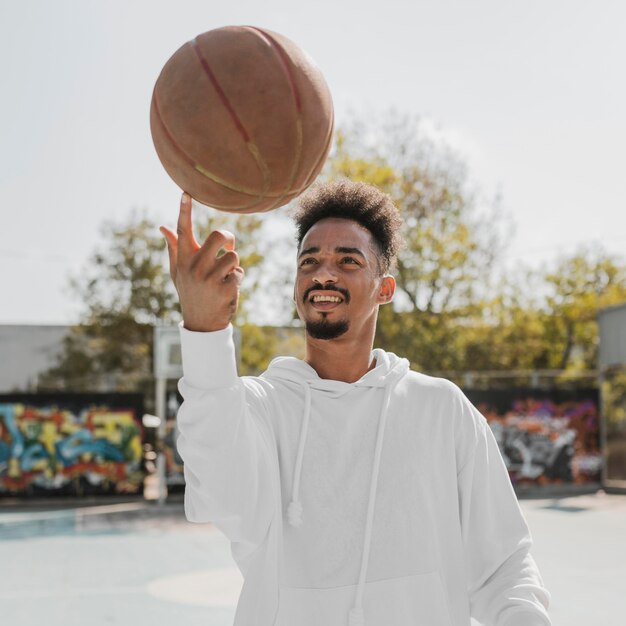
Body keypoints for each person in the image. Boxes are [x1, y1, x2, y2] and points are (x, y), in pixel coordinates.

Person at [160, 180, 552, 626]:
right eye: (309, 262)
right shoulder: (257, 409)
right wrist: (205, 330)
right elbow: (220, 488)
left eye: (348, 261)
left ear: (385, 289)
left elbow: (504, 566)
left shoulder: (441, 409)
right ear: (295, 289)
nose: (323, 273)